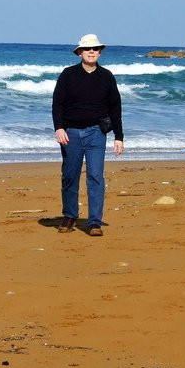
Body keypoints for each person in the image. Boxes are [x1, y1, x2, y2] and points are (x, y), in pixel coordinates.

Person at [51, 33, 124, 236]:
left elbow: (115, 108)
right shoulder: (68, 75)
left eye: (95, 48)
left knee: (95, 177)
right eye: (87, 49)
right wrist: (59, 128)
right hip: (70, 133)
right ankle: (70, 216)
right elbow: (57, 104)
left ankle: (94, 222)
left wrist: (119, 137)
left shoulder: (107, 77)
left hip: (96, 133)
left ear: (99, 52)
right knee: (70, 176)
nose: (91, 51)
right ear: (80, 52)